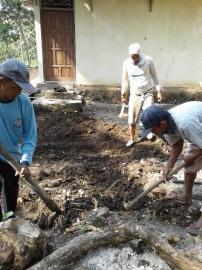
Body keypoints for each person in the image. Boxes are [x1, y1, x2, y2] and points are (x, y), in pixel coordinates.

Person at [140, 101, 202, 236]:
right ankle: (186, 196)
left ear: (161, 125)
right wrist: (168, 167)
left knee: (191, 159)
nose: (152, 133)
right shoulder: (167, 124)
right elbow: (177, 144)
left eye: (152, 130)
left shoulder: (186, 124)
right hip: (199, 131)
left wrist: (191, 158)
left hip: (197, 127)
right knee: (190, 165)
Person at [0, 59, 37, 221]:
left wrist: (25, 161)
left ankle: (10, 225)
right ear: (2, 82)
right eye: (16, 87)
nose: (19, 91)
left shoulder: (24, 103)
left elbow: (30, 135)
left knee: (10, 197)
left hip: (12, 160)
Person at [121, 43, 163, 147]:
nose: (135, 58)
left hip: (148, 92)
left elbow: (155, 77)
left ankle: (148, 132)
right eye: (132, 56)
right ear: (129, 55)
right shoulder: (126, 63)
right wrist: (123, 94)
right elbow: (125, 80)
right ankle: (131, 138)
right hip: (135, 94)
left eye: (136, 56)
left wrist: (159, 91)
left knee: (149, 114)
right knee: (131, 119)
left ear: (140, 54)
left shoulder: (148, 61)